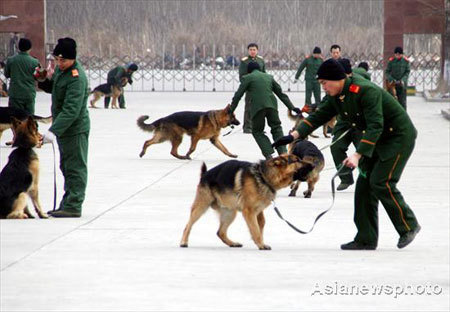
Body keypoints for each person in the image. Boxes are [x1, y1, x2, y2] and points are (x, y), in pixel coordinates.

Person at [272, 59, 421, 250]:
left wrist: (357, 155)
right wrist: (292, 135)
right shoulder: (337, 95)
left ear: (337, 79)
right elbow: (319, 116)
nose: (323, 87)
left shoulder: (366, 91)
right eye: (321, 84)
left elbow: (376, 125)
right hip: (376, 139)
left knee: (381, 181)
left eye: (325, 82)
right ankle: (366, 238)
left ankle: (409, 226)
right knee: (363, 187)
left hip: (397, 137)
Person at [37, 37, 90, 218]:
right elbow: (55, 88)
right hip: (64, 128)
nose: (60, 63)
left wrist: (53, 130)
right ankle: (67, 203)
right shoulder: (62, 71)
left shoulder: (77, 77)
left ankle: (74, 205)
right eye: (57, 59)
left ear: (72, 59)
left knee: (75, 167)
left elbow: (71, 110)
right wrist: (43, 80)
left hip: (74, 129)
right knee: (66, 166)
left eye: (63, 60)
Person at [230, 61, 301, 159]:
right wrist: (292, 107)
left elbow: (238, 96)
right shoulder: (269, 77)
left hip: (257, 108)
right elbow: (281, 94)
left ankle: (268, 154)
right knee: (276, 128)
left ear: (248, 71)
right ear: (259, 69)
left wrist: (231, 110)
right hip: (272, 106)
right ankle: (283, 153)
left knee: (257, 131)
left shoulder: (247, 78)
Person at [4, 38, 40, 114]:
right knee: (29, 118)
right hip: (29, 94)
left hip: (15, 94)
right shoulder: (35, 62)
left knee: (16, 119)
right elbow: (38, 77)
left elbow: (6, 74)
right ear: (30, 48)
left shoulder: (11, 60)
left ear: (19, 47)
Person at [238, 43, 266, 133]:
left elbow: (264, 74)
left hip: (260, 88)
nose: (252, 51)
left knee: (260, 108)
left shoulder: (261, 60)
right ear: (248, 51)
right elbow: (242, 76)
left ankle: (258, 127)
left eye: (254, 50)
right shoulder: (244, 61)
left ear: (257, 50)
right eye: (251, 50)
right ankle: (247, 127)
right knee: (249, 108)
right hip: (250, 88)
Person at [294, 46, 323, 113]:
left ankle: (318, 108)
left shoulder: (321, 60)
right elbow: (301, 68)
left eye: (318, 54)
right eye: (316, 54)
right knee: (308, 94)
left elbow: (323, 70)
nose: (317, 55)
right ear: (313, 53)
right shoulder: (308, 59)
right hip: (309, 80)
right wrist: (296, 77)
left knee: (318, 95)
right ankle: (308, 108)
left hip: (317, 80)